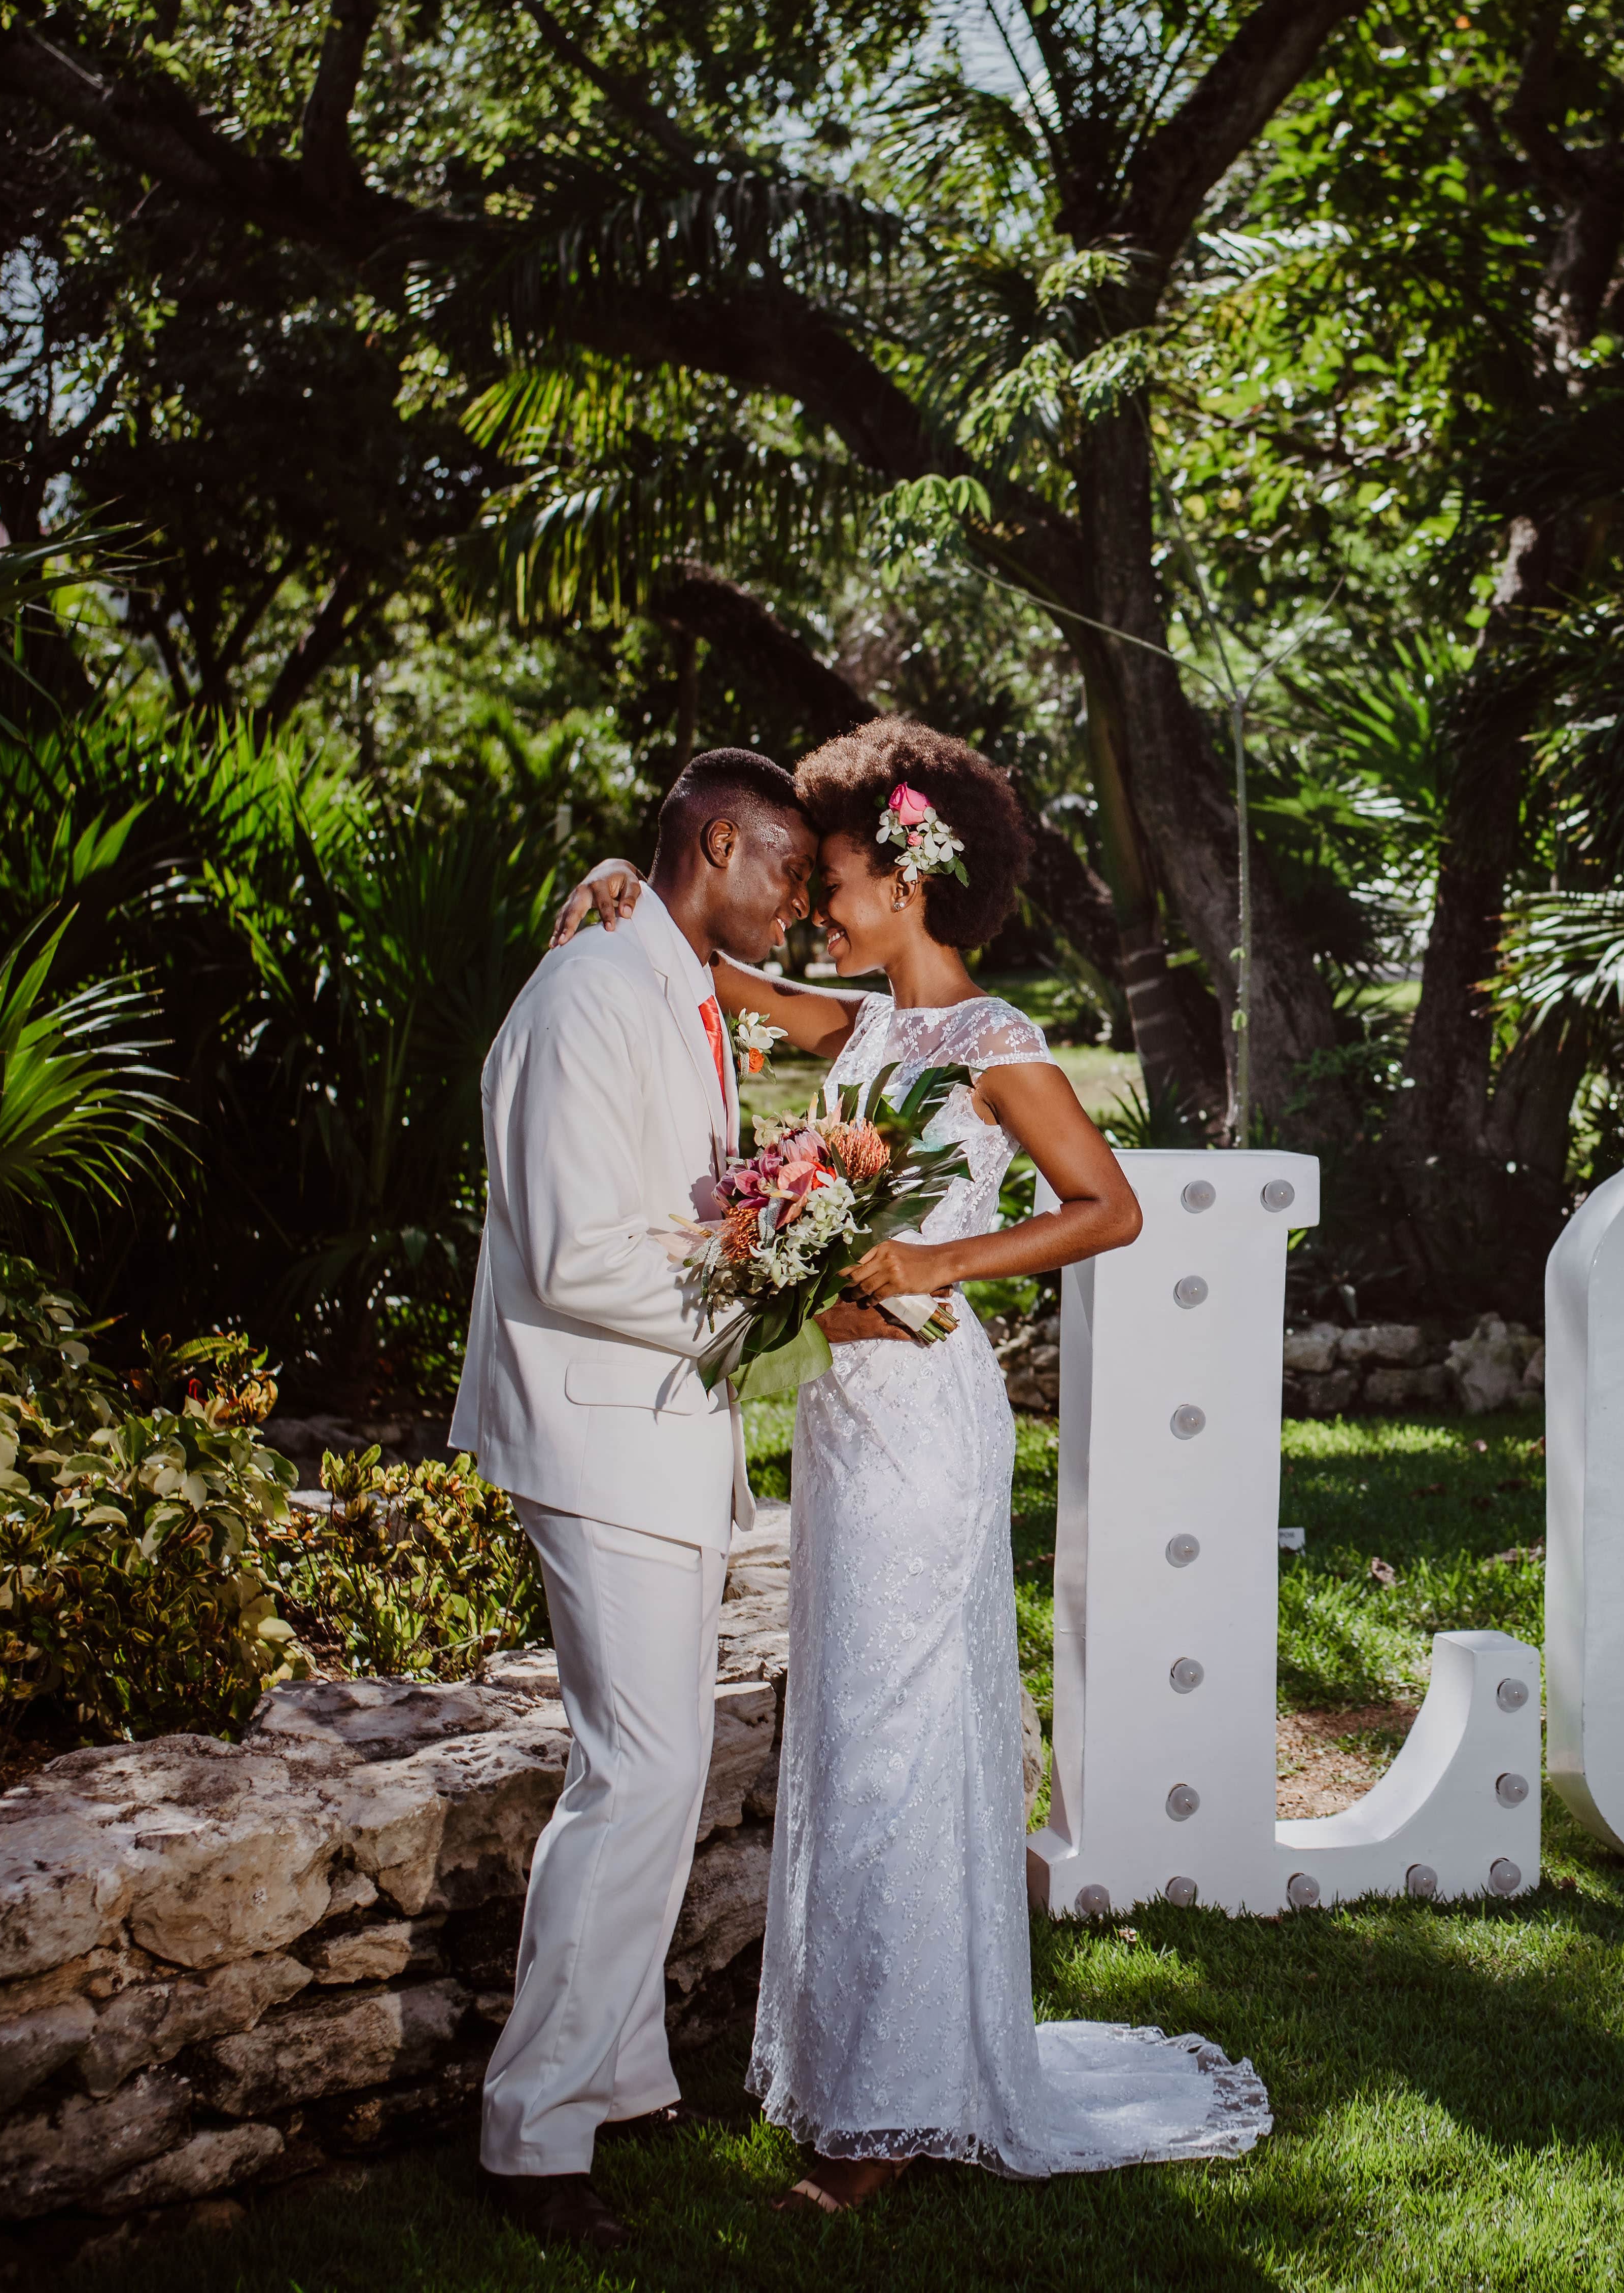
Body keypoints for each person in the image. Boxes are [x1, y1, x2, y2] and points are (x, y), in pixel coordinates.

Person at [551, 717, 1272, 2213]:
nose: (814, 901)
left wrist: (942, 1254)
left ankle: (883, 2119)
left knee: (898, 1742)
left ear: (916, 872)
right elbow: (715, 973)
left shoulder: (995, 1043)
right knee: (853, 1745)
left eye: (835, 877)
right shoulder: (862, 1028)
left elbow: (1108, 1209)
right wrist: (627, 876)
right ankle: (864, 2065)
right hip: (840, 1420)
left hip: (929, 1419)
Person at [457, 747, 814, 2254]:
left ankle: (615, 2078)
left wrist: (772, 1217)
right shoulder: (588, 996)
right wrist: (764, 1270)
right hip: (596, 1438)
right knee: (641, 1776)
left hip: (658, 1437)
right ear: (719, 847)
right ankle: (533, 2139)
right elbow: (570, 1254)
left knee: (653, 1776)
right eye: (786, 873)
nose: (796, 906)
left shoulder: (664, 978)